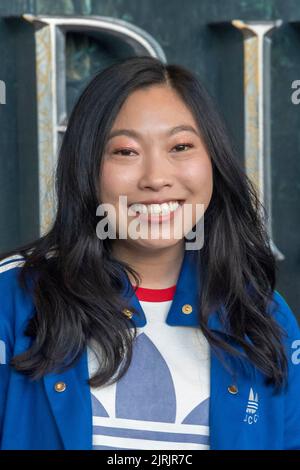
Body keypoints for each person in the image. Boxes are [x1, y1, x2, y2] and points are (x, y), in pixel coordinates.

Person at [0, 56, 299, 451]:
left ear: (214, 161)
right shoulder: (14, 297)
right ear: (86, 167)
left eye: (180, 146)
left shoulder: (264, 317)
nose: (156, 178)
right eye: (125, 151)